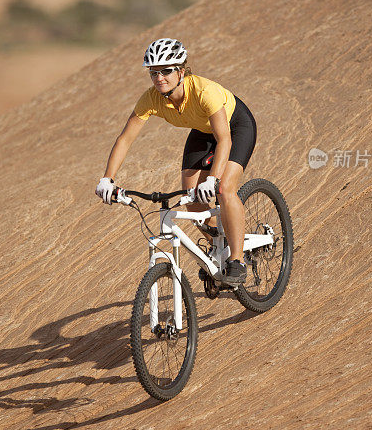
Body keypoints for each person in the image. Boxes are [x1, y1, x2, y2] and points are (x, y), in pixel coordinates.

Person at [95, 38, 257, 285]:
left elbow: (224, 140)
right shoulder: (152, 99)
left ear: (181, 71)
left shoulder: (204, 91)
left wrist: (212, 179)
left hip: (235, 127)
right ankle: (218, 245)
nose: (159, 78)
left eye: (166, 70)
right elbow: (125, 139)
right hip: (202, 130)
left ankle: (237, 259)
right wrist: (107, 178)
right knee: (192, 198)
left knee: (224, 189)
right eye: (153, 72)